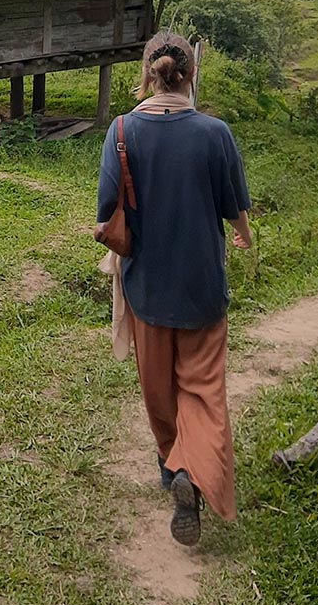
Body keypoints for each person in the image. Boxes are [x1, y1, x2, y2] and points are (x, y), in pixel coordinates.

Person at [94, 31, 253, 545]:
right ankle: (191, 469)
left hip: (147, 291)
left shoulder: (121, 132)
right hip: (203, 288)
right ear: (189, 76)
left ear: (147, 74)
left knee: (158, 391)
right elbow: (234, 207)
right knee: (204, 392)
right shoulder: (215, 133)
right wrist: (245, 235)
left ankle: (172, 463)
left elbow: (105, 212)